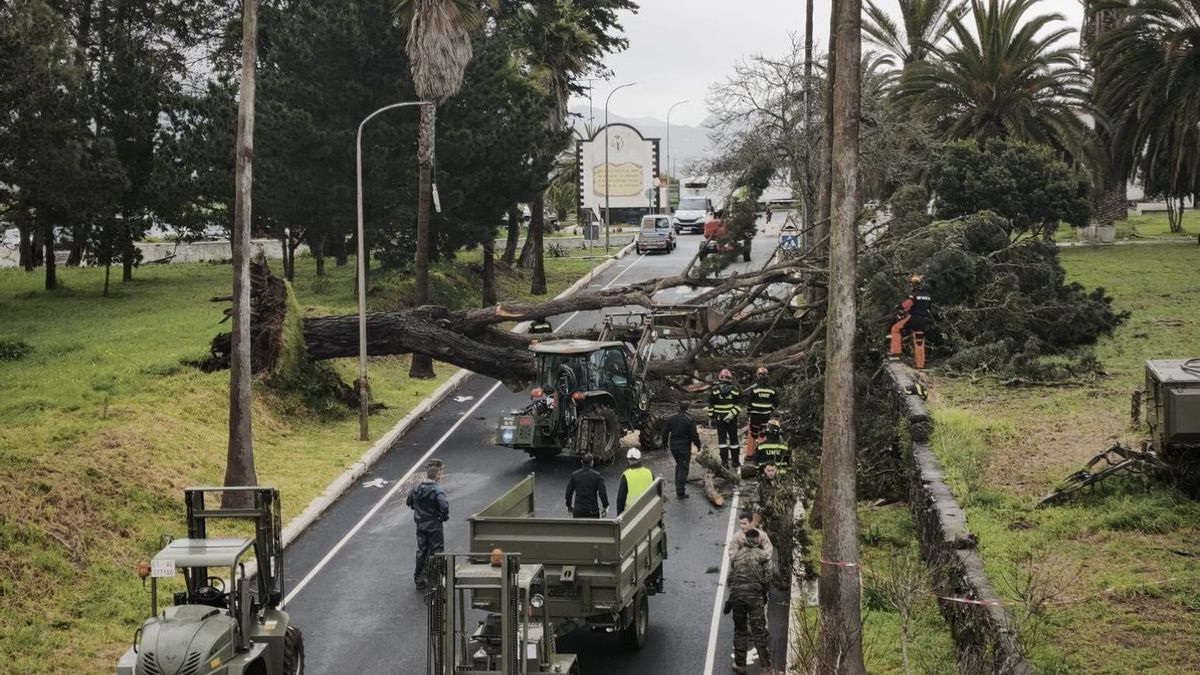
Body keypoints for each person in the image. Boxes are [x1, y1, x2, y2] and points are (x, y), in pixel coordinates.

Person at [725, 528, 775, 674]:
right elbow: (767, 578)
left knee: (740, 630)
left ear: (745, 541)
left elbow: (731, 579)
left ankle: (740, 664)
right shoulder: (763, 556)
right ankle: (766, 668)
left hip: (737, 598)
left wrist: (730, 600)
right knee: (758, 632)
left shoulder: (737, 556)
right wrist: (763, 594)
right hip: (754, 597)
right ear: (758, 540)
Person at [406, 460, 449, 589]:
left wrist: (418, 510)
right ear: (437, 476)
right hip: (434, 525)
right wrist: (442, 517)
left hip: (420, 524)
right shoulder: (437, 490)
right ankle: (436, 579)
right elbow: (444, 506)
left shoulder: (416, 488)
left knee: (421, 551)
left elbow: (409, 502)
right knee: (437, 551)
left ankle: (419, 578)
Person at [889, 274, 933, 369]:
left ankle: (896, 352)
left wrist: (898, 306)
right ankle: (920, 365)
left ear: (915, 285)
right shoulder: (928, 296)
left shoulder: (913, 295)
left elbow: (906, 305)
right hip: (923, 321)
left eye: (912, 285)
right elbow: (925, 307)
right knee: (919, 342)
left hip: (913, 318)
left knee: (895, 329)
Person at [662, 401, 702, 498]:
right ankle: (680, 492)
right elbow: (694, 435)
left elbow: (664, 431)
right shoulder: (689, 420)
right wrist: (698, 445)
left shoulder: (671, 418)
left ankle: (678, 484)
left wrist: (664, 443)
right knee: (684, 468)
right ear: (688, 408)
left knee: (679, 465)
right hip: (684, 447)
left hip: (674, 446)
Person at [706, 368, 743, 469]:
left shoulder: (714, 390)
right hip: (732, 419)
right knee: (734, 440)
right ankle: (735, 462)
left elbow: (710, 405)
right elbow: (740, 404)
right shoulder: (735, 390)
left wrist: (711, 418)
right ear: (730, 378)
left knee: (722, 441)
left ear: (720, 378)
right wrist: (731, 415)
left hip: (719, 419)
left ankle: (725, 463)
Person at [565, 453, 608, 518]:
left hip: (578, 510)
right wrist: (605, 506)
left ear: (581, 462)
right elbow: (602, 493)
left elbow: (569, 492)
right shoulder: (597, 476)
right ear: (592, 462)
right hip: (593, 510)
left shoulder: (575, 475)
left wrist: (569, 506)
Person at [616, 448, 654, 514]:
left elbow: (620, 499)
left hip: (631, 512)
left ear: (628, 460)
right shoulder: (649, 472)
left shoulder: (626, 475)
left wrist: (619, 516)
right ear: (639, 459)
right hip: (647, 509)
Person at [746, 367, 779, 432]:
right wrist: (770, 409)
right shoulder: (772, 389)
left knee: (754, 433)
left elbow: (749, 402)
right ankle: (762, 440)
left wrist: (748, 412)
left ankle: (755, 439)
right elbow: (776, 403)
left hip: (755, 415)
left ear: (758, 376)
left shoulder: (754, 389)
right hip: (766, 415)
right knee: (763, 433)